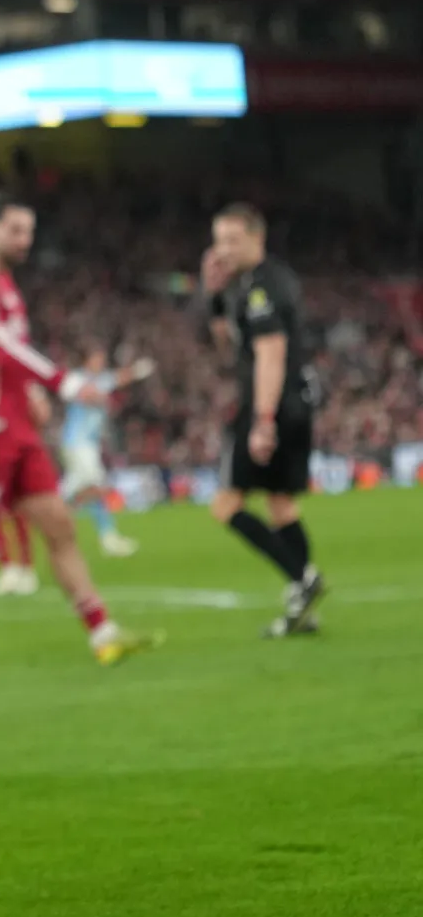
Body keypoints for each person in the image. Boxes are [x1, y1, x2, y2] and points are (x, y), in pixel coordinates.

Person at [0, 193, 160, 681]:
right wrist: (63, 382)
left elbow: (12, 353)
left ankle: (103, 633)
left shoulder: (5, 283)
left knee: (59, 525)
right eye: (15, 230)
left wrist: (29, 391)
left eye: (29, 231)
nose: (24, 241)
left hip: (17, 426)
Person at [201, 203, 326, 637]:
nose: (224, 249)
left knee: (226, 505)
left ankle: (303, 579)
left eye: (233, 240)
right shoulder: (254, 283)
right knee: (280, 505)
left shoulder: (261, 289)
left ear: (258, 238)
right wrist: (214, 294)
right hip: (291, 401)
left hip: (273, 404)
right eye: (219, 241)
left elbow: (271, 354)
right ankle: (302, 606)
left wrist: (264, 420)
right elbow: (229, 347)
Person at [57, 348, 153, 560]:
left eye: (102, 359)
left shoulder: (102, 379)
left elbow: (119, 378)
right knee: (97, 487)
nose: (100, 362)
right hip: (77, 443)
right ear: (86, 360)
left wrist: (136, 371)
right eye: (97, 358)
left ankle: (52, 516)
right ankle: (107, 537)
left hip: (88, 445)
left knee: (78, 491)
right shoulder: (77, 379)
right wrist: (106, 393)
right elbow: (91, 394)